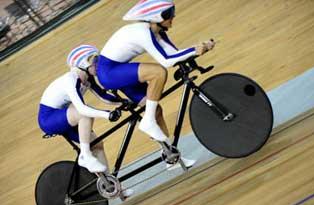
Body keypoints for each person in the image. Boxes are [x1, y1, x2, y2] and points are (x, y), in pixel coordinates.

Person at [97, 0, 215, 169]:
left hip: (117, 71)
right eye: (168, 14)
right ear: (155, 17)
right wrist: (193, 50)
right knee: (158, 72)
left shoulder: (158, 32)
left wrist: (198, 50)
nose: (172, 16)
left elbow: (175, 54)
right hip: (109, 73)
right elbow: (166, 61)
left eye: (172, 12)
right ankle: (148, 121)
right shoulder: (142, 32)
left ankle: (171, 161)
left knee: (156, 110)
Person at [38, 44, 121, 174]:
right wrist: (107, 114)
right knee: (84, 115)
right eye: (95, 60)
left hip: (68, 116)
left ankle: (111, 187)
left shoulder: (87, 79)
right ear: (84, 63)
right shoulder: (71, 81)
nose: (99, 63)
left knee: (97, 145)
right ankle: (85, 155)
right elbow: (82, 110)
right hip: (49, 118)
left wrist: (125, 101)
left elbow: (103, 96)